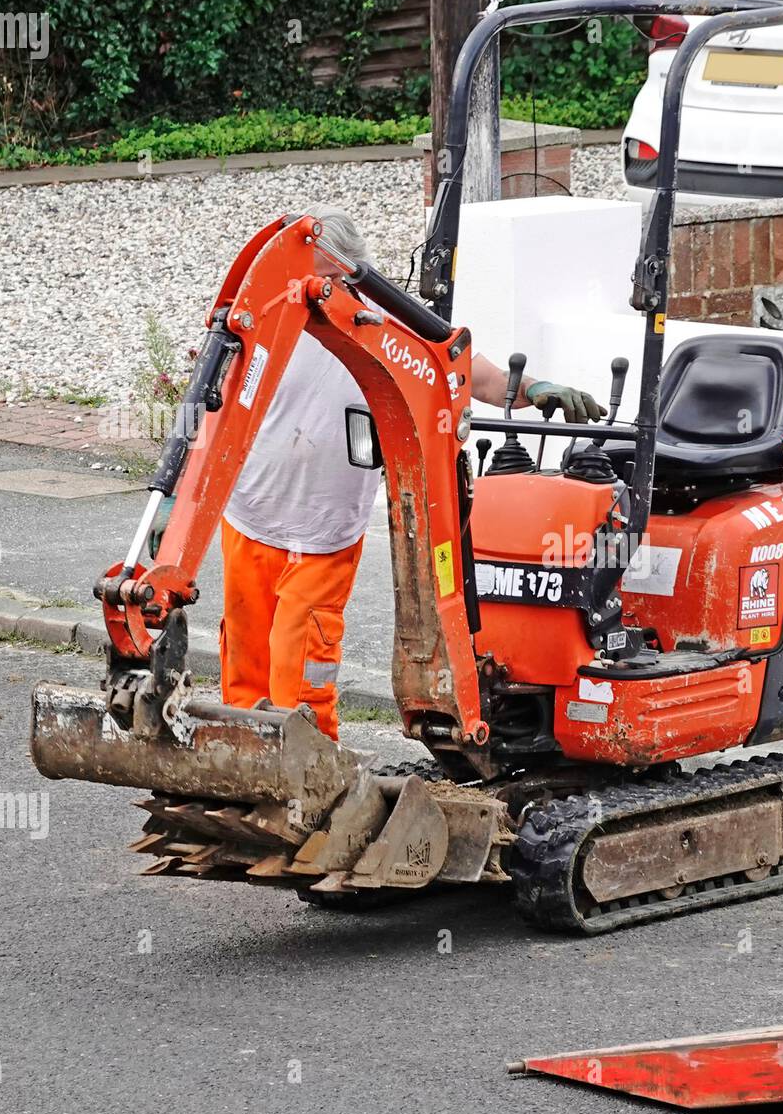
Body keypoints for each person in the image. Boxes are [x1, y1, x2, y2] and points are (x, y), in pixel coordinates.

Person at [152, 204, 604, 739]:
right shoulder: (266, 317)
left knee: (298, 677)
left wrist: (532, 390)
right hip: (249, 519)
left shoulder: (378, 328)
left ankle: (310, 775)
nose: (308, 289)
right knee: (243, 672)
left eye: (320, 276)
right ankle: (240, 769)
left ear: (347, 272)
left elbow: (458, 371)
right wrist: (173, 502)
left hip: (322, 535)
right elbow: (205, 407)